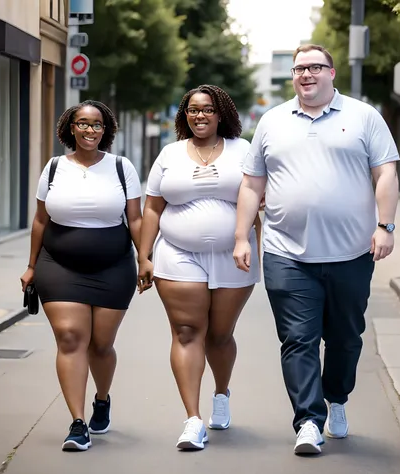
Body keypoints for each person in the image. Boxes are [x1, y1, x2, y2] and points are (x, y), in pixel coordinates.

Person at [233, 44, 399, 455]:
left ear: (332, 72)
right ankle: (308, 420)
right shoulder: (272, 121)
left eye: (314, 67)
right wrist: (241, 236)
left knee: (345, 338)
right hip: (285, 253)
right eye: (299, 69)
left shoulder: (363, 116)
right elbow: (253, 183)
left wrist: (385, 226)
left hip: (351, 253)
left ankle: (337, 398)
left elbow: (386, 172)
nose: (306, 74)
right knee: (297, 339)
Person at [138, 84, 261, 450]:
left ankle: (221, 394)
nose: (200, 115)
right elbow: (152, 208)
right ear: (184, 115)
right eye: (193, 110)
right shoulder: (170, 154)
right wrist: (143, 256)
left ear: (221, 113)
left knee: (220, 335)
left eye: (207, 109)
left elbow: (259, 198)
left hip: (233, 257)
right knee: (188, 331)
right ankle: (193, 420)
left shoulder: (244, 151)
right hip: (178, 254)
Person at [20, 100, 143, 451]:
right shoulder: (55, 167)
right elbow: (41, 220)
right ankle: (77, 423)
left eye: (97, 124)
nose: (90, 130)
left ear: (106, 130)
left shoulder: (122, 167)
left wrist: (145, 258)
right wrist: (31, 266)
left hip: (114, 266)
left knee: (101, 345)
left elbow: (135, 219)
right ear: (70, 128)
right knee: (71, 337)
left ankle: (101, 399)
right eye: (83, 123)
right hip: (58, 265)